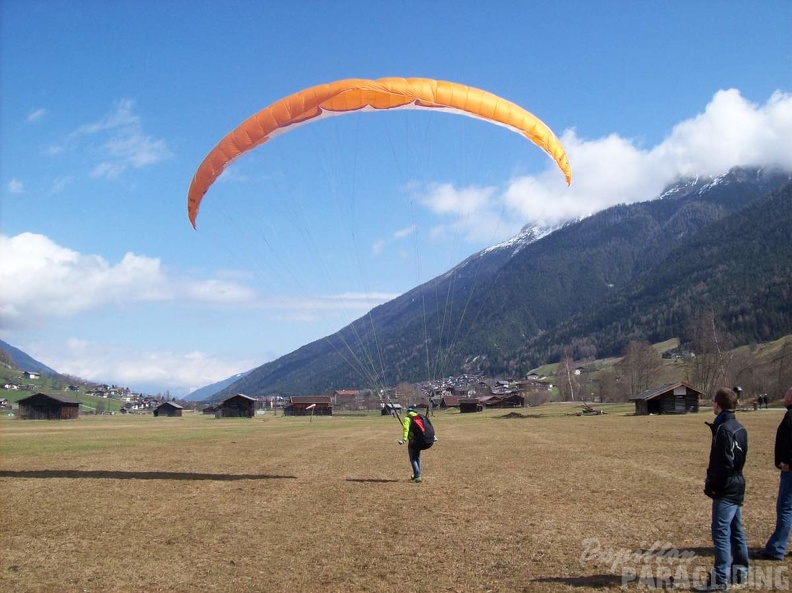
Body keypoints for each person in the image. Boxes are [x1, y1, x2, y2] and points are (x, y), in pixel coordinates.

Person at [695, 388, 749, 592]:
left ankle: (719, 579)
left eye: (714, 402)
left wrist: (713, 486)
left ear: (719, 404)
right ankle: (740, 571)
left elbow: (723, 464)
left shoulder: (724, 430)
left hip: (726, 487)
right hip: (738, 484)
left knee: (721, 533)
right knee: (736, 529)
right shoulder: (740, 428)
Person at [759, 386, 792, 560]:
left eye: (787, 395)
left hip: (791, 471)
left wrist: (787, 462)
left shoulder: (790, 417)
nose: (785, 398)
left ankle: (776, 548)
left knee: (785, 508)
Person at [399, 405, 424, 483]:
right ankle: (417, 474)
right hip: (420, 440)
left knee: (413, 459)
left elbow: (406, 429)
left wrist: (404, 439)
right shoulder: (419, 417)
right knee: (418, 458)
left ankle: (417, 476)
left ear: (408, 412)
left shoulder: (407, 419)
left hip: (412, 441)